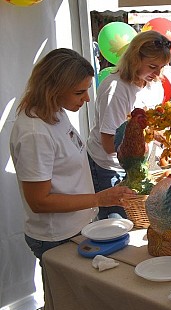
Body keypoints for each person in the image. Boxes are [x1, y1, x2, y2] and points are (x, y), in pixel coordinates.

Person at [10, 49, 135, 261]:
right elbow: (39, 202)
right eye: (79, 93)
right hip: (56, 235)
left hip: (77, 227)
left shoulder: (55, 112)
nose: (86, 99)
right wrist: (99, 198)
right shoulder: (35, 133)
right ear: (52, 89)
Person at [87, 30, 171, 219]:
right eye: (152, 66)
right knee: (118, 221)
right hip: (109, 168)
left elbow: (151, 126)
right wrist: (145, 137)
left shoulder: (154, 84)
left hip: (137, 165)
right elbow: (109, 145)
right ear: (134, 59)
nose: (158, 73)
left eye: (162, 67)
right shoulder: (116, 90)